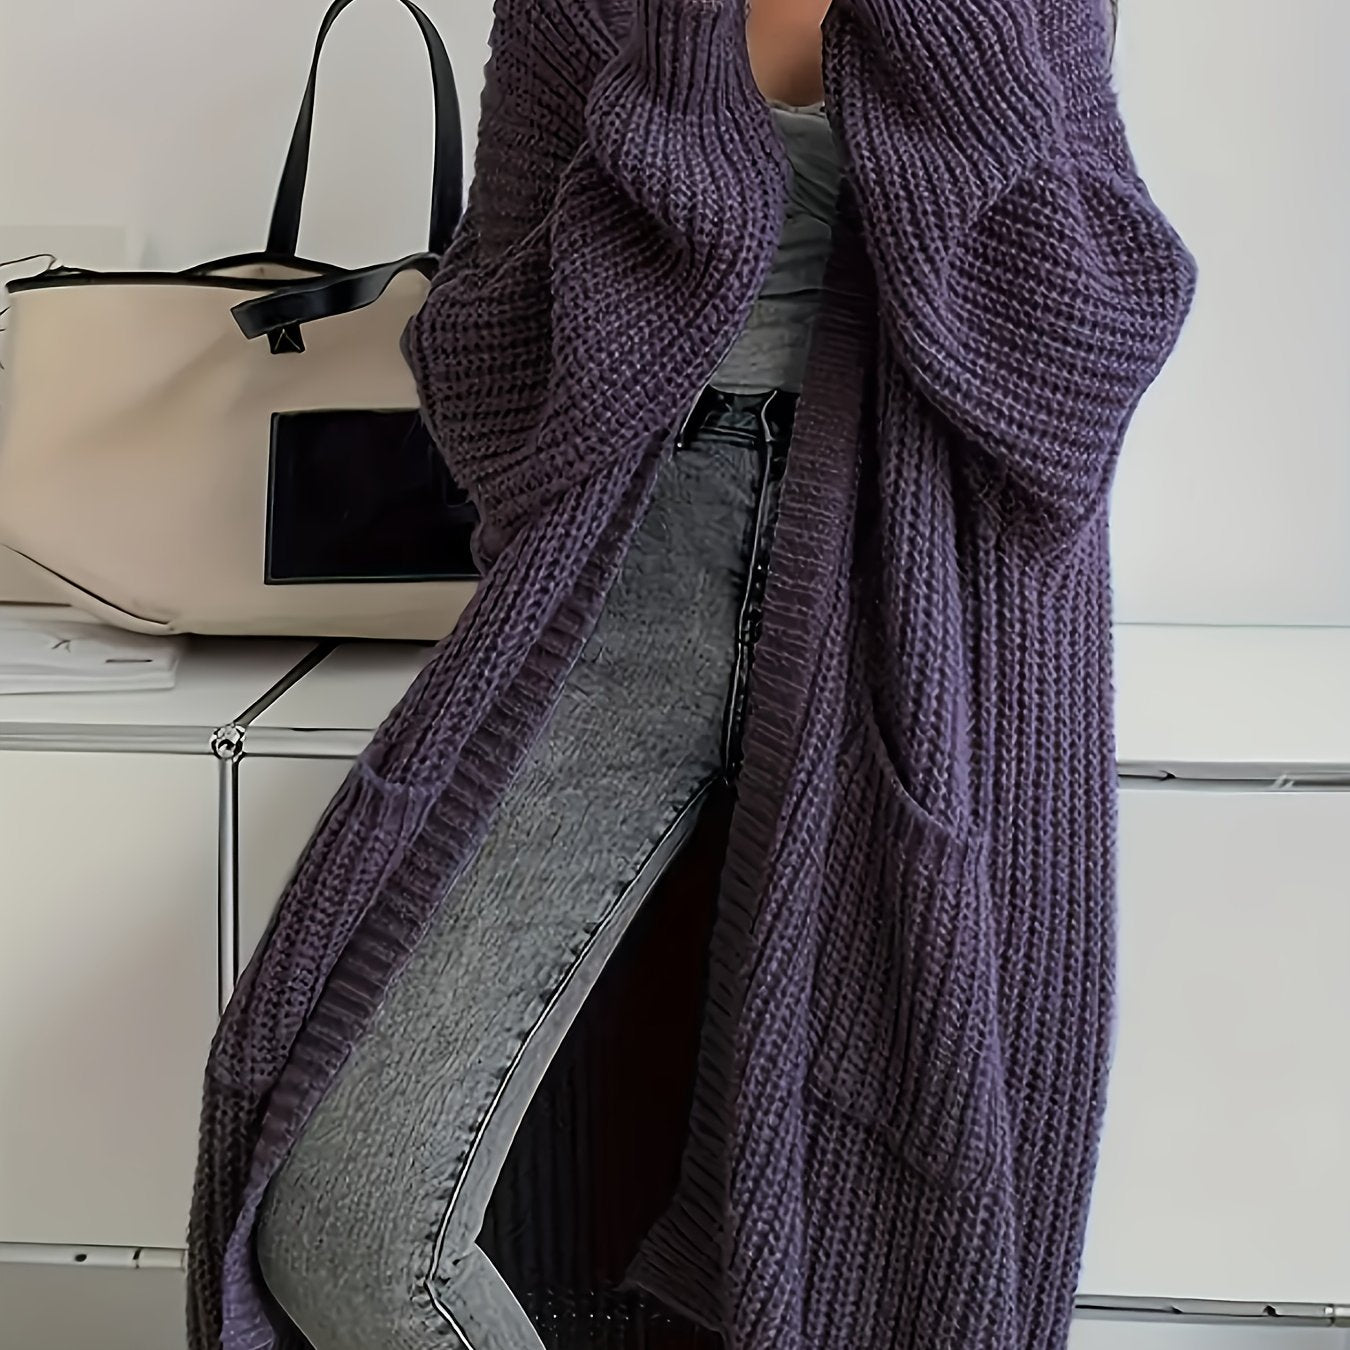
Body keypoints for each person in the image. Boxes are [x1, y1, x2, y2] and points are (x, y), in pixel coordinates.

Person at [188, 2, 1196, 1349]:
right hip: (626, 580)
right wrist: (666, 108)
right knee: (339, 1220)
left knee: (864, 1238)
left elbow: (1082, 361)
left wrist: (944, 48)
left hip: (915, 616)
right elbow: (483, 362)